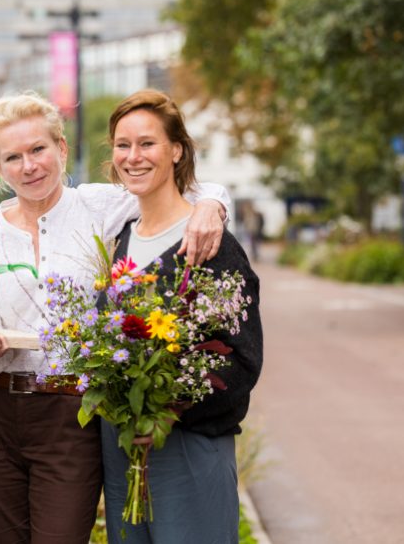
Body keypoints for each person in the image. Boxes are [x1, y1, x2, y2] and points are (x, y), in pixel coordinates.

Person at [0, 92, 232, 544]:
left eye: (38, 150)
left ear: (61, 149)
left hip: (69, 416)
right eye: (13, 157)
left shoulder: (99, 207)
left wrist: (212, 210)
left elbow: (194, 189)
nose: (29, 166)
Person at [101, 89, 263, 544]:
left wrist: (165, 410)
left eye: (147, 143)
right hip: (124, 452)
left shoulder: (210, 244)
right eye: (122, 145)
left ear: (176, 150)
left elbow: (242, 361)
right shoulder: (117, 243)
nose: (133, 157)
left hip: (189, 446)